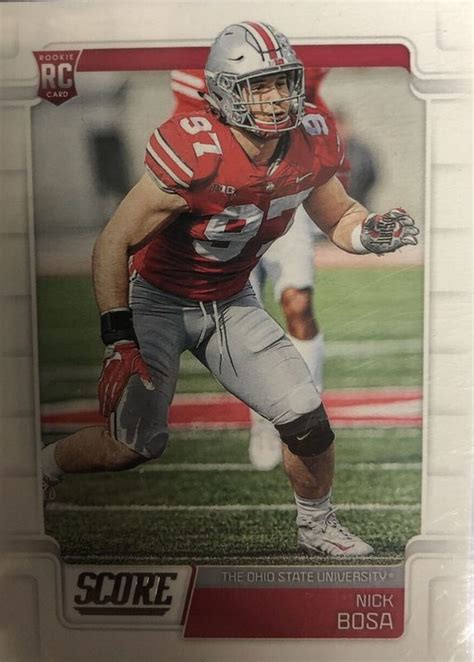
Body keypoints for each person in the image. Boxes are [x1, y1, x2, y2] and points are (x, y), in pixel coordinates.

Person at [42, 20, 419, 557]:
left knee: (307, 419)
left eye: (283, 82)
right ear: (224, 92)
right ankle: (44, 468)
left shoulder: (310, 138)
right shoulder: (196, 149)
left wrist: (369, 233)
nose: (278, 97)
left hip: (230, 300)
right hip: (157, 299)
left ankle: (316, 526)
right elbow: (113, 242)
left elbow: (339, 216)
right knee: (132, 445)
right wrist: (118, 338)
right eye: (260, 85)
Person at [169, 66, 334, 471]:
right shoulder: (195, 62)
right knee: (245, 322)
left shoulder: (291, 56)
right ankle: (264, 417)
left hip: (285, 188)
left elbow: (312, 108)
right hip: (226, 201)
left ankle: (306, 414)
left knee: (299, 302)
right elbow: (185, 127)